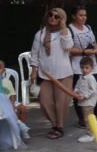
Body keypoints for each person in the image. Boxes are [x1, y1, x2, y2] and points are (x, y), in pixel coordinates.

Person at [30, 7, 74, 139]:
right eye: (51, 15)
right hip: (46, 74)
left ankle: (59, 127)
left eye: (57, 16)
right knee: (44, 101)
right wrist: (34, 70)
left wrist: (64, 27)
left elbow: (68, 46)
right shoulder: (41, 33)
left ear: (62, 19)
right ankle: (54, 123)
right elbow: (34, 53)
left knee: (61, 103)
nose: (52, 18)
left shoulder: (64, 32)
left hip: (63, 72)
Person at [68, 5, 97, 125]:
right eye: (81, 15)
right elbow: (68, 49)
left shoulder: (88, 28)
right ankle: (82, 118)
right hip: (78, 67)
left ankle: (95, 115)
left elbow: (94, 44)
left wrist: (95, 50)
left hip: (92, 65)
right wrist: (84, 52)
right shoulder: (69, 29)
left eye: (85, 15)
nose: (84, 17)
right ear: (74, 16)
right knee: (80, 92)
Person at [0, 60, 30, 139]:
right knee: (7, 112)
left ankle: (21, 131)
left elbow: (13, 94)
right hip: (1, 105)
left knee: (22, 108)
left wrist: (13, 104)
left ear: (4, 70)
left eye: (1, 68)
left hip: (10, 102)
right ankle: (21, 126)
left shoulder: (7, 82)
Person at [74, 57, 97, 143]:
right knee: (87, 118)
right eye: (82, 67)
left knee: (88, 119)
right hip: (83, 102)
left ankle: (90, 134)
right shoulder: (81, 77)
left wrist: (85, 96)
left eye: (87, 68)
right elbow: (77, 86)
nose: (84, 70)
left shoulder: (90, 78)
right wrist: (75, 92)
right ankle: (92, 132)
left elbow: (93, 89)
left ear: (92, 68)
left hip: (88, 102)